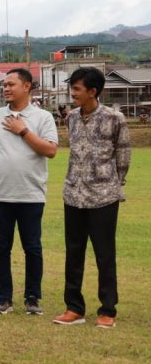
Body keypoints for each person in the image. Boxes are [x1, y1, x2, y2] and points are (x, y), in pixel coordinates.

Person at [54, 67, 131, 328]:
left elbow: (123, 157)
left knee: (104, 254)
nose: (71, 94)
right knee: (73, 253)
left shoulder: (115, 118)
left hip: (103, 197)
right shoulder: (71, 117)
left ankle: (107, 309)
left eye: (76, 89)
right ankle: (74, 307)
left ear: (92, 91)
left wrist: (112, 185)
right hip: (73, 194)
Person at [0, 68, 58, 316]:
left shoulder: (43, 117)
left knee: (32, 247)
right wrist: (4, 164)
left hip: (30, 194)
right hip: (0, 193)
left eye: (11, 84)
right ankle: (3, 298)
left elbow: (50, 150)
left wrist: (22, 131)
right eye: (4, 85)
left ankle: (32, 298)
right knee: (1, 248)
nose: (6, 89)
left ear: (27, 87)